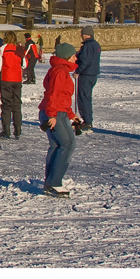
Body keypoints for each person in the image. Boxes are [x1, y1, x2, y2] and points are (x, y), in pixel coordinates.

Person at [38, 42, 79, 198]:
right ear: (67, 57)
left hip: (56, 111)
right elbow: (53, 95)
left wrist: (71, 114)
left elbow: (62, 97)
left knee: (56, 146)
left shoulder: (59, 70)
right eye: (74, 55)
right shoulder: (60, 72)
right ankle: (54, 183)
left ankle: (50, 182)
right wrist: (52, 115)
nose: (76, 58)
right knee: (68, 144)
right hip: (54, 113)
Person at [0, 31, 26, 139]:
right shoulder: (19, 49)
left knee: (6, 106)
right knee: (16, 105)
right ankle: (18, 130)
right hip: (17, 79)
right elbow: (24, 64)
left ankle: (6, 131)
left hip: (6, 79)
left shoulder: (2, 49)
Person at [74, 25, 101, 132]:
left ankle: (87, 121)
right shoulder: (96, 45)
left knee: (83, 98)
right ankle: (88, 120)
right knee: (87, 97)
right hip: (93, 74)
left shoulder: (87, 46)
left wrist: (77, 71)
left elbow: (85, 61)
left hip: (86, 74)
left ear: (86, 35)